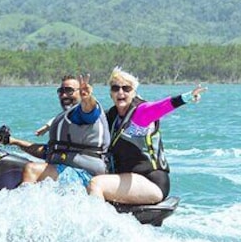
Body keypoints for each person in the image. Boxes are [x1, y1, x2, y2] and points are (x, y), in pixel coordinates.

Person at [86, 66, 206, 205]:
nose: (121, 92)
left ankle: (97, 225)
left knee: (96, 184)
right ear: (110, 93)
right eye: (115, 88)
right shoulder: (110, 117)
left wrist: (186, 97)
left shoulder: (141, 113)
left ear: (134, 92)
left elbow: (160, 107)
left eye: (126, 88)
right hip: (125, 179)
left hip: (151, 181)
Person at [16, 73, 110, 186]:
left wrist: (87, 99)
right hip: (65, 170)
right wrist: (13, 141)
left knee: (32, 169)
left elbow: (89, 111)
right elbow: (48, 151)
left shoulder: (82, 114)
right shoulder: (65, 118)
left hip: (86, 175)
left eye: (69, 90)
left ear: (81, 92)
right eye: (61, 91)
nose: (64, 95)